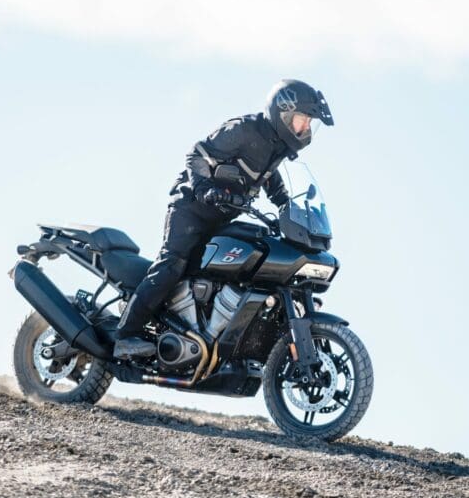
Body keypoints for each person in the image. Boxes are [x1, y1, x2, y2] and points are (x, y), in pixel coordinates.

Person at [114, 79, 334, 359]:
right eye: (303, 120)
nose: (305, 128)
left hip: (222, 216)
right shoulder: (244, 129)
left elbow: (270, 180)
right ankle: (125, 336)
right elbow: (197, 155)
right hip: (191, 208)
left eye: (309, 122)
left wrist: (286, 208)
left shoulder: (275, 148)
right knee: (172, 265)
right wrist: (205, 188)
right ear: (284, 114)